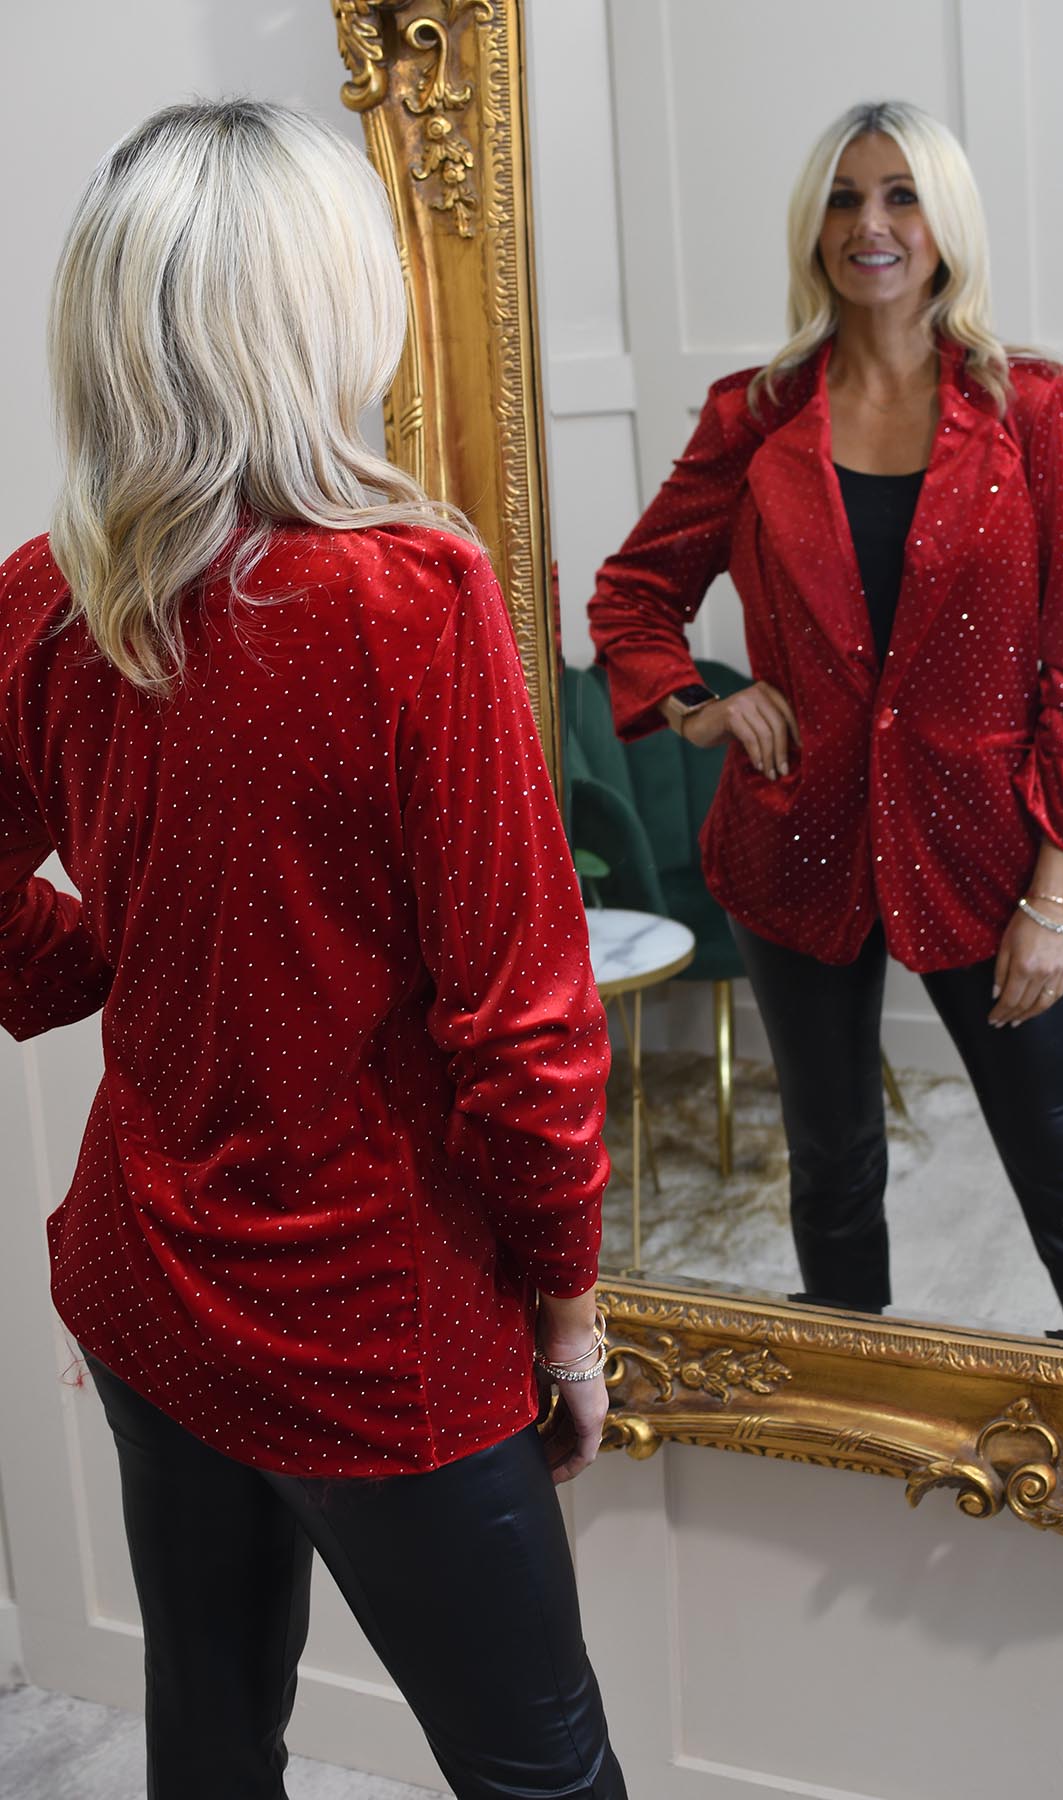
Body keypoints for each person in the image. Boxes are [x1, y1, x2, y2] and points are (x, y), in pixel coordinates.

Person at [0, 100, 626, 1799]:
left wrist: (96, 959)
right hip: (377, 1322)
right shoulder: (406, 600)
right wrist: (569, 1315)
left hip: (147, 1280)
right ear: (323, 308)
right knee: (545, 1778)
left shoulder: (45, 596)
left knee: (211, 1737)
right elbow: (526, 1024)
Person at [589, 99, 1063, 1351]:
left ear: (945, 222)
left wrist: (1053, 899)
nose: (873, 224)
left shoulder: (1032, 409)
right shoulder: (755, 413)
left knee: (1058, 1157)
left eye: (902, 195)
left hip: (985, 851)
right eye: (846, 198)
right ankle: (845, 1411)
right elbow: (632, 597)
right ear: (816, 227)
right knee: (832, 1155)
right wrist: (702, 704)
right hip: (795, 839)